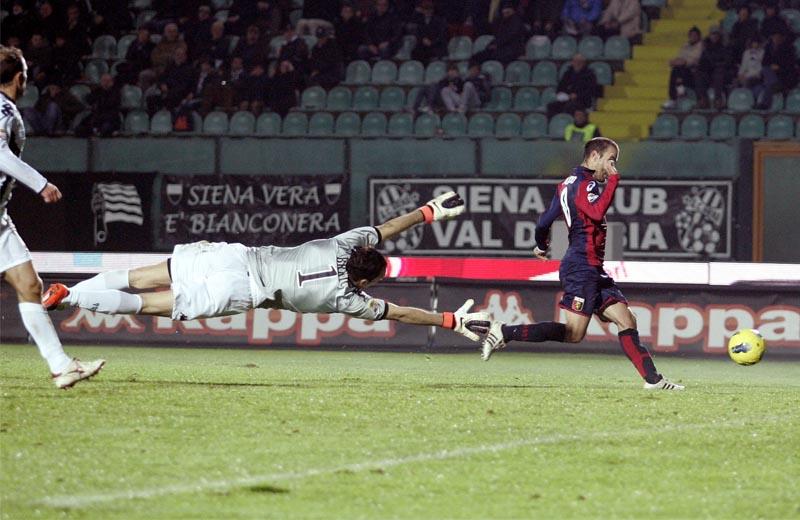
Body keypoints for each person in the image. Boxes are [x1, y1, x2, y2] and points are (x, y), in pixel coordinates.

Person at [42, 192, 490, 345]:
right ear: (367, 279)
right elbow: (401, 313)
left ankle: (61, 292)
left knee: (140, 276)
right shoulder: (348, 298)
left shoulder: (343, 243)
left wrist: (427, 213)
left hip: (234, 256)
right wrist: (448, 320)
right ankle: (72, 297)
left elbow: (387, 228)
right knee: (143, 303)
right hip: (239, 291)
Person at [479, 138, 683, 391]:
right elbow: (595, 213)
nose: (611, 166)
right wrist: (614, 180)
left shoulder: (566, 185)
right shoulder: (585, 184)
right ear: (595, 156)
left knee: (627, 319)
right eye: (610, 160)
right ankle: (504, 332)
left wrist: (540, 245)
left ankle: (654, 380)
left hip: (592, 268)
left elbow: (544, 221)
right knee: (574, 334)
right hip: (581, 267)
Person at [0, 46, 105, 389]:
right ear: (20, 78)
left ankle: (62, 366)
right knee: (29, 286)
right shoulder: (4, 109)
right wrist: (40, 183)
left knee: (30, 286)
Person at [662, 26, 703, 109]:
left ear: (699, 36)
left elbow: (693, 60)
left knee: (679, 69)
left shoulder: (701, 46)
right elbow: (679, 58)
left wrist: (682, 62)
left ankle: (675, 96)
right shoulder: (685, 45)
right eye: (691, 35)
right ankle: (678, 92)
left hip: (694, 72)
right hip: (682, 70)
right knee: (675, 70)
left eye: (695, 35)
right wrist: (675, 61)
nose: (692, 37)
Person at [547, 53, 597, 118]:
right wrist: (562, 93)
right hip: (567, 99)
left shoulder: (590, 75)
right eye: (575, 61)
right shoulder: (568, 73)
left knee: (570, 107)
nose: (577, 63)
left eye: (580, 62)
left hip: (583, 101)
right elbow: (561, 86)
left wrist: (577, 95)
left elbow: (591, 91)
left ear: (584, 63)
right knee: (551, 106)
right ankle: (553, 124)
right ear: (572, 62)